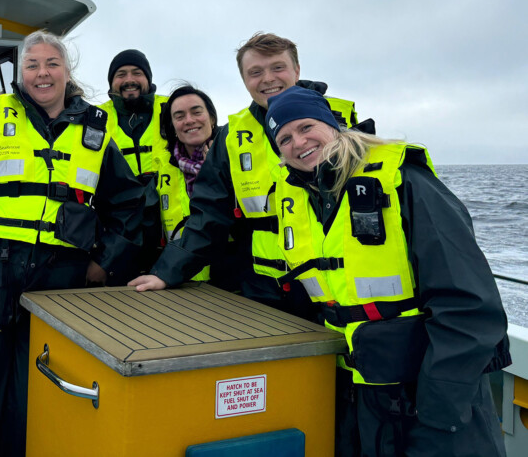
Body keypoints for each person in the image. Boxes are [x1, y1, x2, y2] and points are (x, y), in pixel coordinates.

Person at [0, 30, 144, 457]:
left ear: (67, 71)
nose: (42, 73)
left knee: (33, 405)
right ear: (22, 74)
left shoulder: (97, 131)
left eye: (51, 64)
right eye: (32, 65)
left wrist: (104, 263)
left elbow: (130, 204)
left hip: (56, 293)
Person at [263, 86, 509, 456]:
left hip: (431, 395)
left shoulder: (405, 181)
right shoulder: (303, 201)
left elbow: (469, 306)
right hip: (359, 393)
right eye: (284, 138)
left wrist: (438, 408)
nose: (298, 142)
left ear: (333, 125)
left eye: (306, 126)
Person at [133, 32, 358, 316]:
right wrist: (165, 273)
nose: (267, 79)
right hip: (266, 288)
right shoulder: (230, 140)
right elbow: (209, 214)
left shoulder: (342, 121)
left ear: (296, 70)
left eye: (277, 67)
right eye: (255, 72)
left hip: (339, 281)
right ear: (244, 80)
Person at [99, 49, 168, 269]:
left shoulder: (173, 110)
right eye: (121, 74)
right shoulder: (94, 118)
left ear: (148, 79)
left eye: (137, 73)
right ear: (111, 83)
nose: (129, 80)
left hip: (168, 228)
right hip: (117, 230)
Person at [153, 85, 221, 281]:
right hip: (181, 282)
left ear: (212, 118)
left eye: (196, 112)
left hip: (235, 284)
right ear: (172, 126)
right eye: (179, 116)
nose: (189, 120)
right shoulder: (163, 167)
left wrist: (215, 171)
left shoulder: (233, 158)